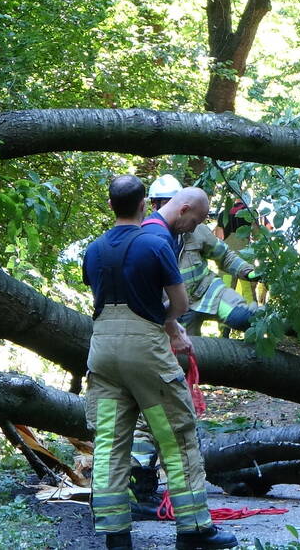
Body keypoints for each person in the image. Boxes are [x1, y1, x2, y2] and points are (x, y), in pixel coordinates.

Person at [82, 175, 237, 549]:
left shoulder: (94, 248)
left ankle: (116, 537)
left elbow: (99, 293)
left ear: (110, 205)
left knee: (109, 444)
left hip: (101, 351)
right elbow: (181, 304)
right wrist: (167, 320)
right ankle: (194, 530)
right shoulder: (154, 243)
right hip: (145, 350)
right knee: (176, 437)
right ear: (142, 205)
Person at [144, 176, 261, 336]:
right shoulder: (145, 237)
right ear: (154, 204)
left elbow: (224, 255)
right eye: (166, 203)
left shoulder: (197, 230)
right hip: (175, 309)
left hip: (207, 292)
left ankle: (286, 321)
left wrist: (248, 271)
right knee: (188, 354)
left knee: (242, 318)